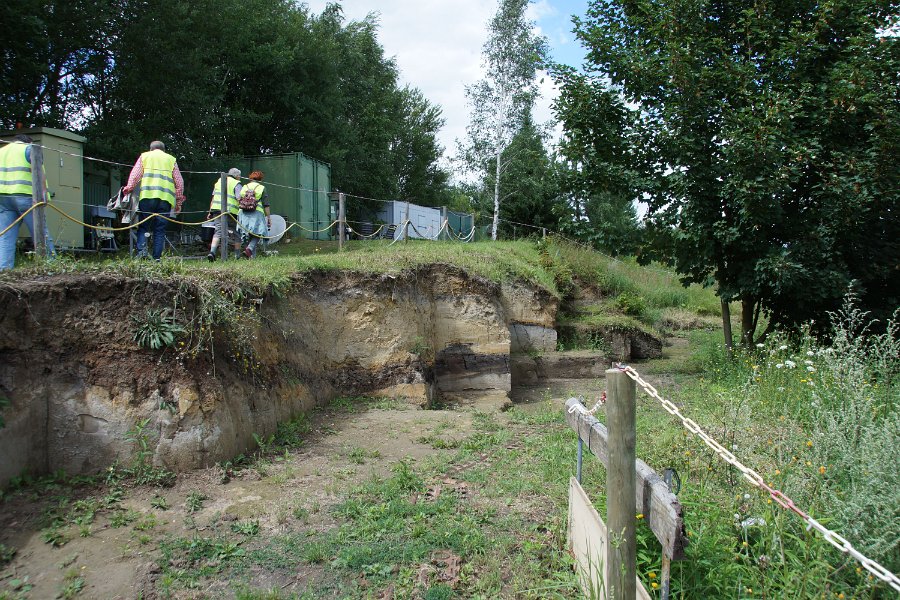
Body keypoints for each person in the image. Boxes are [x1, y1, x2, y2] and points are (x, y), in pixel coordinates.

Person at [122, 141, 185, 260]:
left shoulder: (145, 156)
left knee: (143, 227)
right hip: (165, 199)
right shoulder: (171, 159)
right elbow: (179, 183)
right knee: (159, 230)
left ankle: (142, 254)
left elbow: (135, 175)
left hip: (147, 196)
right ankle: (157, 258)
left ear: (151, 149)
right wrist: (178, 202)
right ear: (164, 150)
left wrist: (128, 189)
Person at [0, 135, 56, 270]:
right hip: (25, 196)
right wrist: (44, 195)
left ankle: (4, 269)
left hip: (3, 198)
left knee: (6, 237)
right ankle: (51, 266)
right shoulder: (29, 149)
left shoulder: (2, 151)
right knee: (40, 233)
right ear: (28, 142)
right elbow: (38, 172)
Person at [206, 167, 242, 261]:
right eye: (239, 176)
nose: (240, 178)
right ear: (237, 176)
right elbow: (239, 198)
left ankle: (212, 252)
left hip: (217, 210)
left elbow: (213, 198)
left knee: (218, 231)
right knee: (236, 233)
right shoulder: (236, 184)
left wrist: (210, 211)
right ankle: (237, 256)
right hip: (230, 212)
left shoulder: (219, 181)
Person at [237, 170, 271, 258]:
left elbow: (239, 199)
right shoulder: (262, 188)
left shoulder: (244, 186)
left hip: (243, 212)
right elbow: (266, 204)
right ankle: (249, 249)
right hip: (257, 212)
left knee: (247, 234)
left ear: (250, 178)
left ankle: (251, 257)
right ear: (260, 179)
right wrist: (269, 218)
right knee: (259, 233)